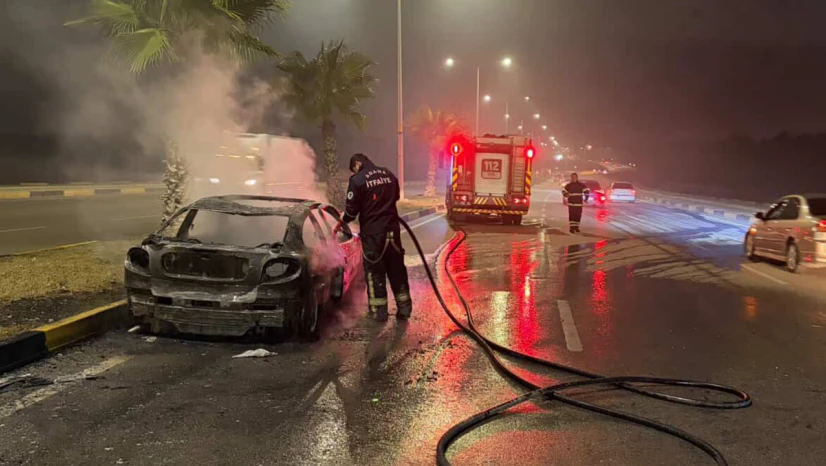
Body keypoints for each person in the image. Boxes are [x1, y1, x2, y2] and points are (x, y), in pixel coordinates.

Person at [334, 153, 412, 322]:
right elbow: (395, 197)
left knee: (375, 272)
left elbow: (351, 212)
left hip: (373, 235)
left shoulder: (357, 180)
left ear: (356, 164)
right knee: (397, 270)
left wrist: (342, 219)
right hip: (393, 232)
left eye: (352, 169)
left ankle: (379, 313)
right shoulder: (388, 174)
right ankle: (404, 310)